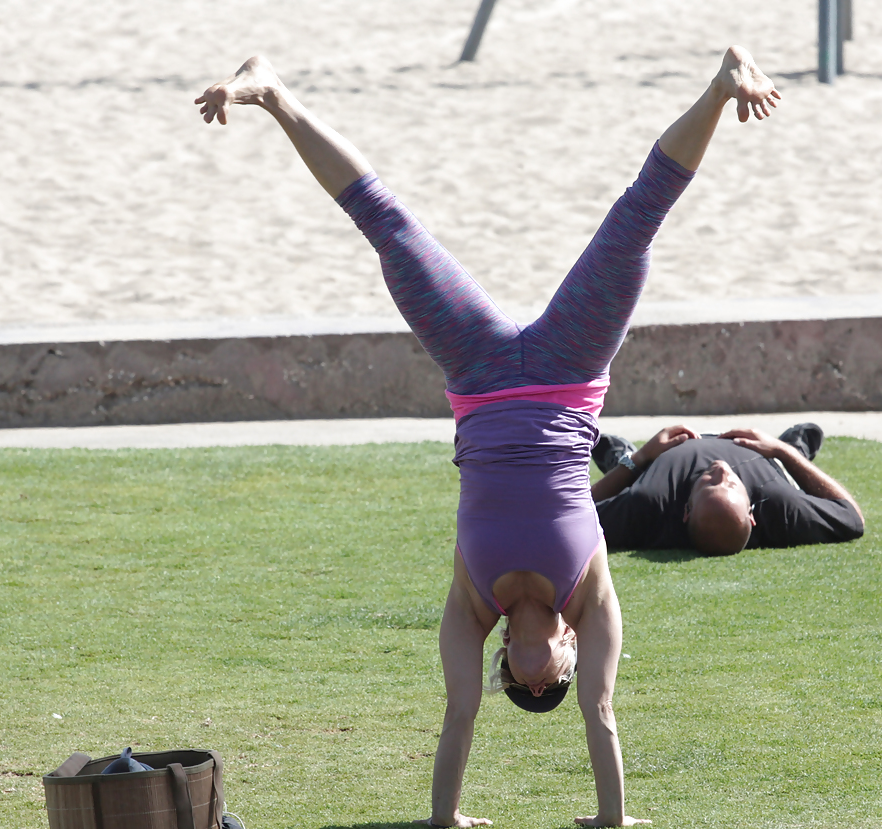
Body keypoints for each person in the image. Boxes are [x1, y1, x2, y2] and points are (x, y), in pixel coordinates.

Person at [195, 46, 781, 828]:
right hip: (572, 369)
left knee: (389, 227)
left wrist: (446, 819)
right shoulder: (593, 598)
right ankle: (720, 85)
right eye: (554, 685)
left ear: (505, 660)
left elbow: (460, 717)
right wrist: (613, 820)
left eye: (522, 687)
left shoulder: (473, 605)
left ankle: (271, 93)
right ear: (569, 655)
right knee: (637, 218)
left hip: (475, 372)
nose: (540, 683)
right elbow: (602, 717)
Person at [591, 423, 864, 555]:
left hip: (657, 458)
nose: (721, 470)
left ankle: (621, 456)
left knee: (627, 469)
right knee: (789, 463)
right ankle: (795, 447)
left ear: (686, 510)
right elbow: (851, 517)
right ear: (752, 513)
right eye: (731, 484)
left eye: (711, 484)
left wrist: (640, 458)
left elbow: (569, 514)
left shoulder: (650, 503)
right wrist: (783, 452)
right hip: (766, 458)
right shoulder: (778, 504)